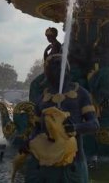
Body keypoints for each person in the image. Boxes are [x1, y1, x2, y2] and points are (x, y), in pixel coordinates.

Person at [24, 53, 99, 183]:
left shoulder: (80, 94)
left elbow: (94, 124)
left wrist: (75, 127)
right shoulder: (42, 98)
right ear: (47, 72)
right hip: (44, 163)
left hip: (72, 161)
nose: (59, 67)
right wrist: (29, 141)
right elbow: (36, 129)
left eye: (61, 64)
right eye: (54, 65)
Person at [29, 27, 61, 104]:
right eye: (47, 36)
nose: (48, 38)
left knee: (34, 84)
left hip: (53, 72)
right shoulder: (53, 46)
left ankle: (34, 104)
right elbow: (46, 60)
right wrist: (45, 51)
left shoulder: (57, 45)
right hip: (49, 72)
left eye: (49, 36)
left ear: (54, 36)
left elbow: (53, 59)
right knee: (34, 83)